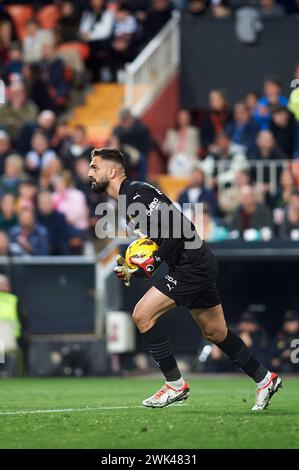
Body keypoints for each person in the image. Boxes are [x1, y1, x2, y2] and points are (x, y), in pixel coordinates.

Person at [88, 147, 282, 410]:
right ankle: (264, 379)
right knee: (215, 332)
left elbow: (178, 230)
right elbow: (161, 236)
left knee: (142, 315)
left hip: (191, 265)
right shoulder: (128, 198)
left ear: (112, 171)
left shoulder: (135, 193)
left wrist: (154, 261)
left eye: (94, 167)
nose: (90, 172)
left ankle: (174, 385)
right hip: (192, 263)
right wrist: (134, 266)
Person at [163, 109, 200, 177]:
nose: (182, 120)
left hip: (190, 161)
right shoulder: (171, 133)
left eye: (184, 118)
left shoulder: (193, 132)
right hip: (175, 163)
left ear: (188, 119)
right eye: (180, 118)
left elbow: (196, 149)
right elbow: (165, 149)